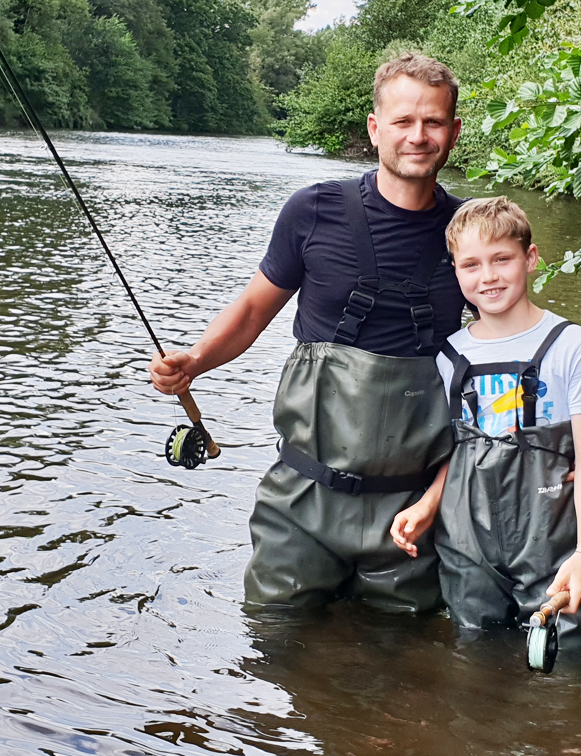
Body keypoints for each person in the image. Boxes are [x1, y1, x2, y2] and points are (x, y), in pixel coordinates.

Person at [150, 52, 466, 610]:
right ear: (374, 129)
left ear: (454, 132)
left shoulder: (472, 237)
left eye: (433, 122)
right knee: (274, 644)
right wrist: (193, 362)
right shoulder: (312, 211)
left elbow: (508, 357)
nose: (418, 136)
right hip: (302, 499)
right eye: (403, 121)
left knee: (401, 668)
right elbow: (251, 312)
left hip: (415, 512)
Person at [390, 196, 581, 659]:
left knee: (570, 668)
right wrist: (429, 503)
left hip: (552, 541)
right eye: (471, 264)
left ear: (530, 260)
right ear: (455, 271)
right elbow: (458, 448)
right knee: (475, 669)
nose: (488, 276)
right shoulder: (448, 356)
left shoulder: (573, 346)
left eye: (501, 260)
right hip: (467, 542)